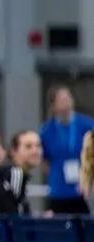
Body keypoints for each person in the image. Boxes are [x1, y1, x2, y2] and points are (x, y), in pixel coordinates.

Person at [38, 86, 94, 215]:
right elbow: (43, 160)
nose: (66, 102)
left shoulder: (86, 125)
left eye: (68, 98)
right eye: (61, 100)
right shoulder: (47, 130)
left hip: (82, 188)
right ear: (53, 105)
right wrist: (54, 174)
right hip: (59, 189)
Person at [0, 129, 42, 215]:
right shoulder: (14, 173)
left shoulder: (20, 174)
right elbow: (12, 214)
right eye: (28, 146)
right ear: (14, 151)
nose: (35, 151)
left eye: (38, 146)